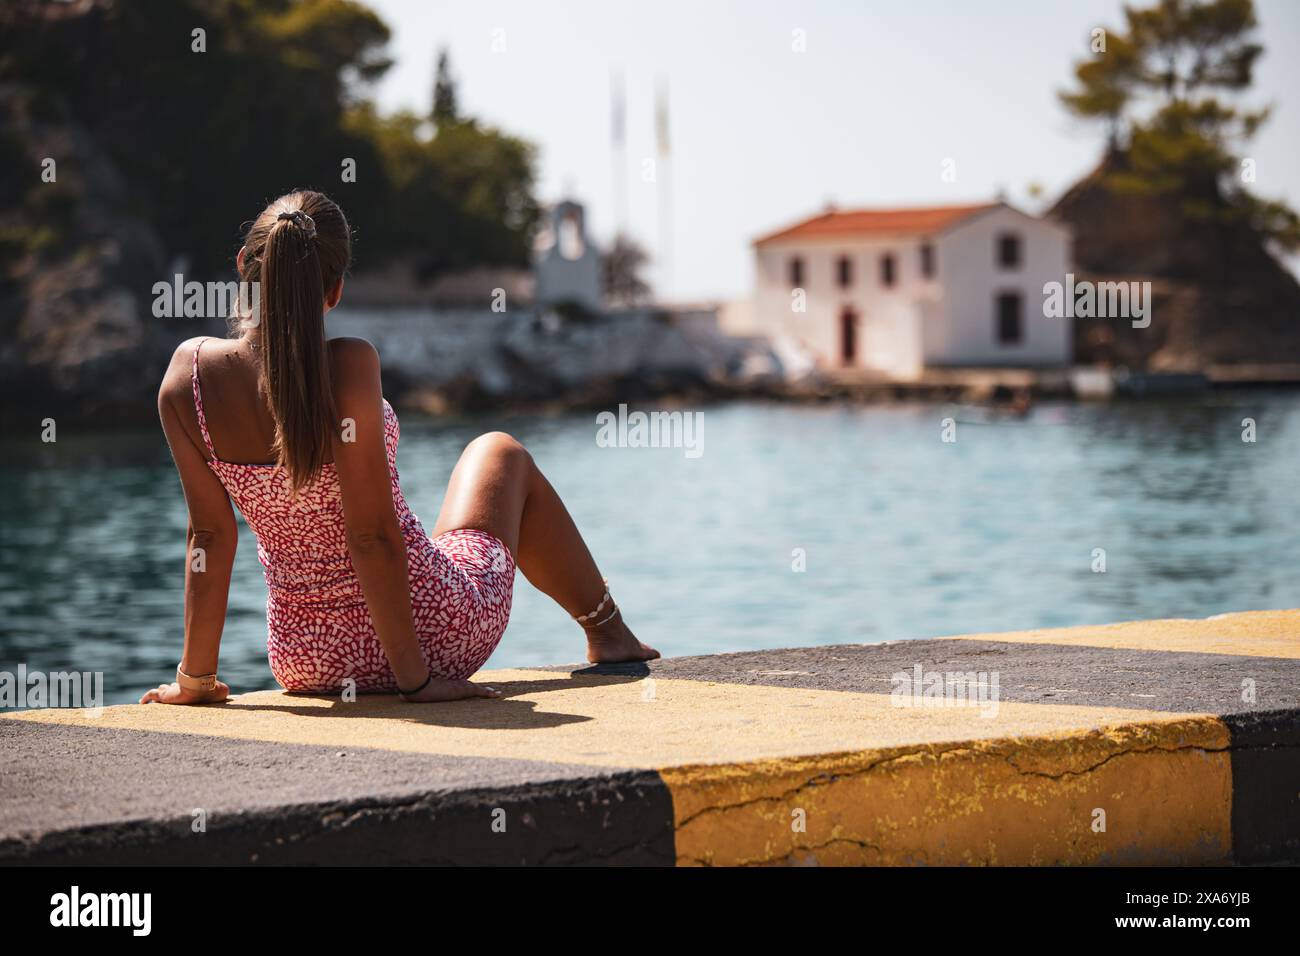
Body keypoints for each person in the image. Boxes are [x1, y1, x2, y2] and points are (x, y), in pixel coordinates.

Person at [142, 190, 657, 706]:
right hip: (433, 638)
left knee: (441, 532)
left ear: (242, 266)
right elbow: (370, 536)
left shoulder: (187, 379)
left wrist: (196, 682)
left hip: (307, 659)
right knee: (500, 451)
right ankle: (608, 633)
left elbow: (208, 537)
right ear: (336, 288)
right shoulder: (349, 366)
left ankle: (199, 678)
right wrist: (416, 680)